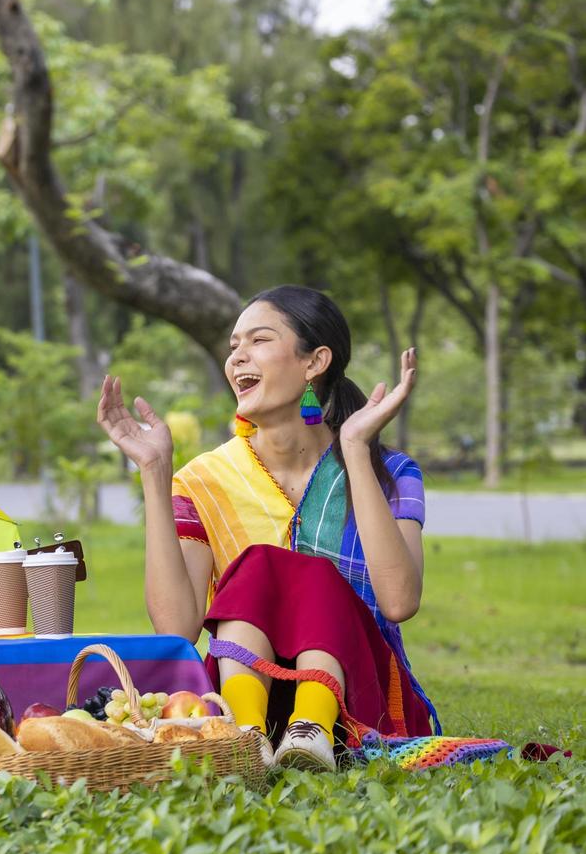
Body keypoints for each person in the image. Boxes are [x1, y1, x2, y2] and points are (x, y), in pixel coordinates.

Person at [96, 285, 438, 771]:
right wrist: (155, 471)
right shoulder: (203, 481)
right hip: (244, 699)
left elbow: (399, 603)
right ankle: (247, 736)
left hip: (360, 701)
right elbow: (176, 628)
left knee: (303, 572)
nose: (237, 358)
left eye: (258, 341)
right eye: (234, 345)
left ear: (315, 361)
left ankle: (313, 725)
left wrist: (356, 449)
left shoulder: (389, 469)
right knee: (259, 566)